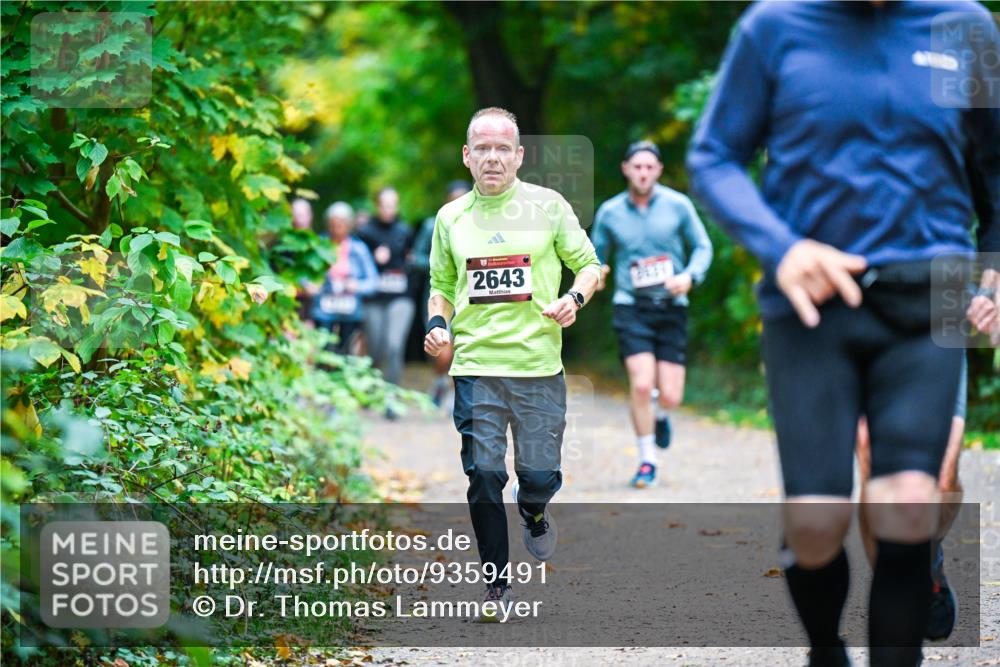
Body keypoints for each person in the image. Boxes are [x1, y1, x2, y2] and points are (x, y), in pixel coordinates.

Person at [687, 2, 998, 666]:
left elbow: (996, 173)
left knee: (910, 501)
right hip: (810, 306)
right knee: (817, 522)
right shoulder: (774, 28)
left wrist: (992, 274)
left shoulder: (964, 27)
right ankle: (825, 650)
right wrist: (783, 247)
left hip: (927, 302)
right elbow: (714, 156)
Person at [424, 107, 602, 619]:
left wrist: (575, 299)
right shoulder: (450, 218)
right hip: (476, 366)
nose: (493, 158)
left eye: (503, 148)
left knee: (539, 474)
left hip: (538, 365)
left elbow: (589, 266)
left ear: (519, 156)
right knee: (482, 474)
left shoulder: (547, 207)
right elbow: (440, 288)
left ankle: (535, 509)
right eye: (483, 148)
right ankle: (496, 586)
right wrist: (437, 324)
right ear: (467, 155)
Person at [592, 140, 712, 489]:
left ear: (658, 170)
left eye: (649, 167)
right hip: (631, 306)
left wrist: (689, 276)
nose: (643, 173)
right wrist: (596, 273)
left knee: (671, 394)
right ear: (626, 169)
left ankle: (661, 415)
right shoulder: (610, 212)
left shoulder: (678, 205)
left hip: (671, 307)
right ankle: (647, 461)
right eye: (637, 167)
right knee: (642, 384)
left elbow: (703, 246)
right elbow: (595, 254)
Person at [411, 180, 472, 413]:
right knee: (443, 349)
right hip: (439, 295)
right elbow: (415, 257)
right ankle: (439, 383)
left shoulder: (478, 224)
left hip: (469, 297)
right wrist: (441, 264)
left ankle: (457, 396)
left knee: (463, 348)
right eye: (453, 197)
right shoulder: (433, 224)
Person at [356, 187, 415, 411]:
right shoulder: (364, 233)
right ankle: (371, 390)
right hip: (374, 298)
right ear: (377, 206)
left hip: (400, 297)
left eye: (393, 205)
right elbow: (356, 264)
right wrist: (372, 258)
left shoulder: (405, 230)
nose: (389, 209)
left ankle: (391, 397)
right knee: (377, 348)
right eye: (385, 205)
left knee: (394, 345)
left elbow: (413, 258)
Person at [310, 202, 378, 355]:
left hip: (350, 310)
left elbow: (373, 281)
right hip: (323, 309)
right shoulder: (318, 245)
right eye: (334, 224)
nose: (337, 228)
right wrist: (312, 285)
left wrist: (357, 285)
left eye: (341, 224)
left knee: (346, 350)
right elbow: (304, 275)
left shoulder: (359, 249)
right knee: (323, 349)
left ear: (349, 225)